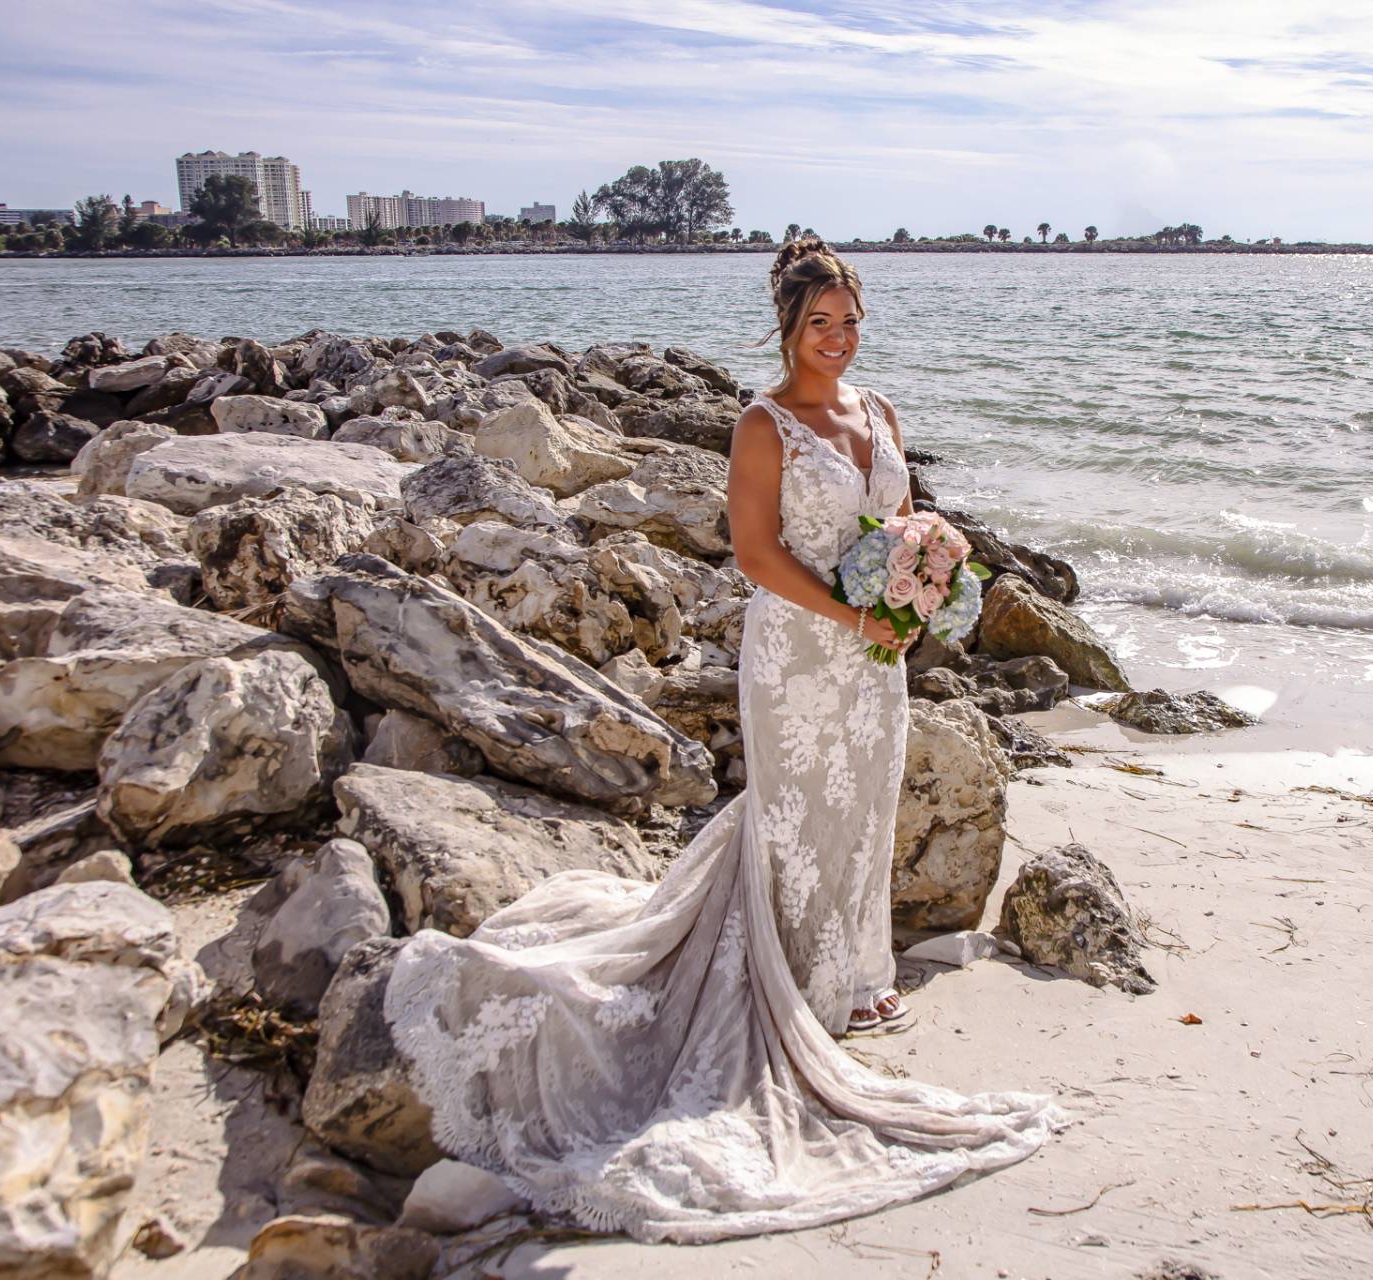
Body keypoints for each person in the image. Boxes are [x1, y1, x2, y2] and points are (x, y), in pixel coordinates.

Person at [382, 237, 1063, 1244]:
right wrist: (851, 614)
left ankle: (852, 974)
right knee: (792, 809)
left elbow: (901, 521)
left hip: (876, 655)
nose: (837, 338)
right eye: (818, 323)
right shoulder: (764, 422)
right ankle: (779, 982)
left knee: (864, 799)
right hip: (799, 648)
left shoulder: (880, 414)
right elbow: (754, 552)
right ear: (787, 326)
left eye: (849, 320)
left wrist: (920, 579)